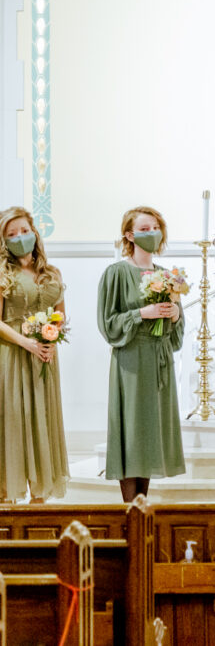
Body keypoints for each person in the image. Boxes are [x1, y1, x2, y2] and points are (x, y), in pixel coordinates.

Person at [97, 206, 186, 503]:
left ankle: (142, 504)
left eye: (156, 227)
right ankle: (128, 508)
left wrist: (174, 314)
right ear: (130, 235)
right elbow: (108, 324)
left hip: (159, 359)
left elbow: (177, 334)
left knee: (150, 431)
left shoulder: (167, 276)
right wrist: (141, 313)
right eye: (145, 228)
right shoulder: (117, 273)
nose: (152, 233)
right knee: (132, 430)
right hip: (131, 359)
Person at [0, 207, 69, 503]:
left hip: (43, 356)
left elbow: (60, 315)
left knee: (41, 418)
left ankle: (39, 499)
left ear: (34, 233)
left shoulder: (52, 273)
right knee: (14, 420)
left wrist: (50, 336)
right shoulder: (3, 273)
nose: (20, 237)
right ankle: (6, 495)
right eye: (11, 234)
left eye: (24, 231)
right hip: (12, 356)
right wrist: (27, 343)